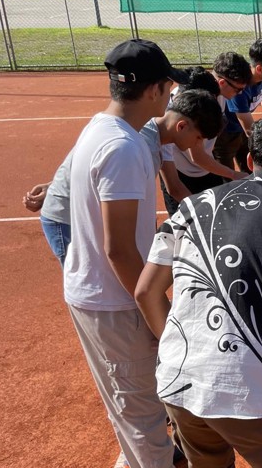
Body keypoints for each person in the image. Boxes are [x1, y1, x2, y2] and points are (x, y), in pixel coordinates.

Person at [135, 116, 262, 468]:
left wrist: (183, 349)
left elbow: (146, 292)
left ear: (251, 162)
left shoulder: (190, 207)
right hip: (255, 393)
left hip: (177, 384)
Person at [63, 39, 189, 468]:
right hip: (114, 302)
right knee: (143, 416)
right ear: (153, 90)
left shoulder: (101, 129)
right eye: (169, 86)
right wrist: (156, 311)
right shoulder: (124, 148)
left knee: (134, 408)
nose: (172, 95)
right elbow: (118, 249)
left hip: (103, 296)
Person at [25, 88, 222, 269]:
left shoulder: (161, 137)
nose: (197, 145)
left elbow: (175, 187)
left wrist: (206, 216)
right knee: (90, 279)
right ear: (181, 126)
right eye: (198, 138)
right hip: (67, 218)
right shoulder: (139, 141)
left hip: (88, 213)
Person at [163, 56, 252, 214]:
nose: (240, 93)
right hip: (183, 173)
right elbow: (196, 158)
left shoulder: (217, 95)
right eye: (238, 89)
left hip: (205, 170)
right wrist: (233, 174)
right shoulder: (194, 107)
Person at [214, 39, 262, 174]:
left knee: (252, 172)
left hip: (243, 133)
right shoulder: (240, 87)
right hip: (226, 135)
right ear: (259, 69)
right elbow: (248, 128)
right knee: (227, 178)